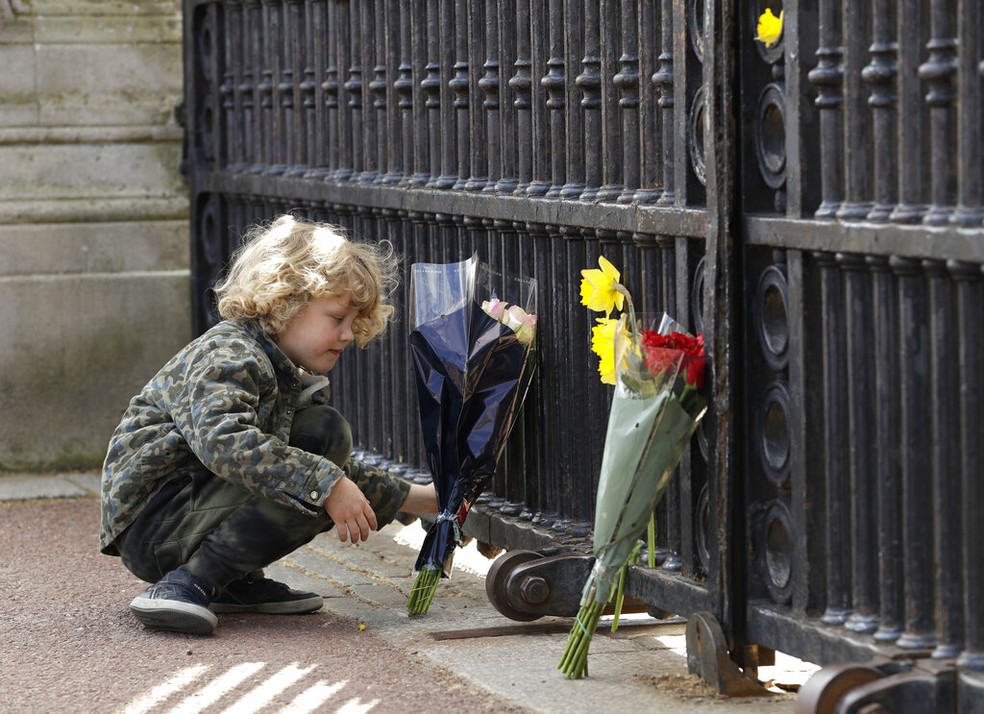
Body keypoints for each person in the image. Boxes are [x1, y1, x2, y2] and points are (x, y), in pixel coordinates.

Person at [99, 214, 438, 636]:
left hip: (180, 517)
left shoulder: (276, 366)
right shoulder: (229, 353)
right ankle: (188, 582)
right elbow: (224, 442)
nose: (349, 334)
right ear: (284, 302)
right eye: (337, 318)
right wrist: (328, 484)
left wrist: (422, 499)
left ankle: (229, 582)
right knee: (324, 437)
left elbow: (302, 466)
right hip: (155, 528)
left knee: (315, 450)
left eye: (354, 322)